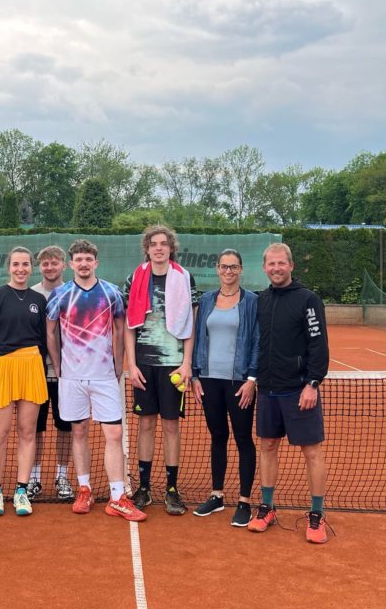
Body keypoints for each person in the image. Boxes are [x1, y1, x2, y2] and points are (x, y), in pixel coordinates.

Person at [46, 239, 146, 522]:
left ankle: (117, 497)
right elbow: (50, 332)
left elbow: (120, 329)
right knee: (78, 432)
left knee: (113, 434)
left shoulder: (112, 292)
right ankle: (84, 489)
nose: (84, 264)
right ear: (71, 264)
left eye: (88, 259)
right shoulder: (60, 294)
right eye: (79, 259)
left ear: (96, 263)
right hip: (72, 378)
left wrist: (118, 364)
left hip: (104, 377)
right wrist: (58, 365)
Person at [248, 242, 331, 544]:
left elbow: (318, 345)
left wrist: (312, 383)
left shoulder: (308, 300)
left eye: (281, 263)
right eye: (271, 264)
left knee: (311, 452)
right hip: (268, 389)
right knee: (268, 446)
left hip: (299, 390)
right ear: (264, 268)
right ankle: (267, 507)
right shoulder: (261, 300)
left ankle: (317, 513)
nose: (276, 268)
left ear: (291, 266)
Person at [123, 225, 198, 515]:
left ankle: (171, 489)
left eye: (163, 244)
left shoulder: (184, 277)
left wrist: (187, 362)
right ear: (147, 248)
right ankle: (143, 488)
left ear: (171, 248)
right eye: (153, 243)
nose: (158, 248)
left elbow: (190, 323)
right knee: (145, 425)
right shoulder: (135, 278)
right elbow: (129, 326)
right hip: (143, 364)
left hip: (173, 366)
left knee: (171, 426)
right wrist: (131, 364)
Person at [0, 247, 49, 517]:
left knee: (28, 432)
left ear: (31, 268)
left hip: (31, 367)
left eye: (25, 264)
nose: (21, 269)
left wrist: (41, 370)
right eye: (16, 264)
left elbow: (43, 340)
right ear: (9, 267)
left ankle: (21, 491)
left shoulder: (38, 300)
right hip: (1, 368)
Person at [191, 250, 259, 527]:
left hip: (239, 382)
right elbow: (198, 337)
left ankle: (244, 501)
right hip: (209, 379)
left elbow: (257, 340)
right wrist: (195, 376)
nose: (228, 271)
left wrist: (252, 379)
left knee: (243, 439)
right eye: (224, 266)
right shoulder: (207, 300)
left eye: (233, 267)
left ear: (241, 269)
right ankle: (217, 495)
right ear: (217, 269)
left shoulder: (252, 301)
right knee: (217, 436)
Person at [27, 245, 74, 502]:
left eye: (54, 262)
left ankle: (62, 476)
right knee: (35, 428)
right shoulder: (31, 295)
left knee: (65, 426)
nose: (50, 267)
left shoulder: (72, 292)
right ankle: (34, 477)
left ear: (63, 265)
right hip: (36, 372)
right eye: (45, 263)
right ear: (40, 267)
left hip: (66, 373)